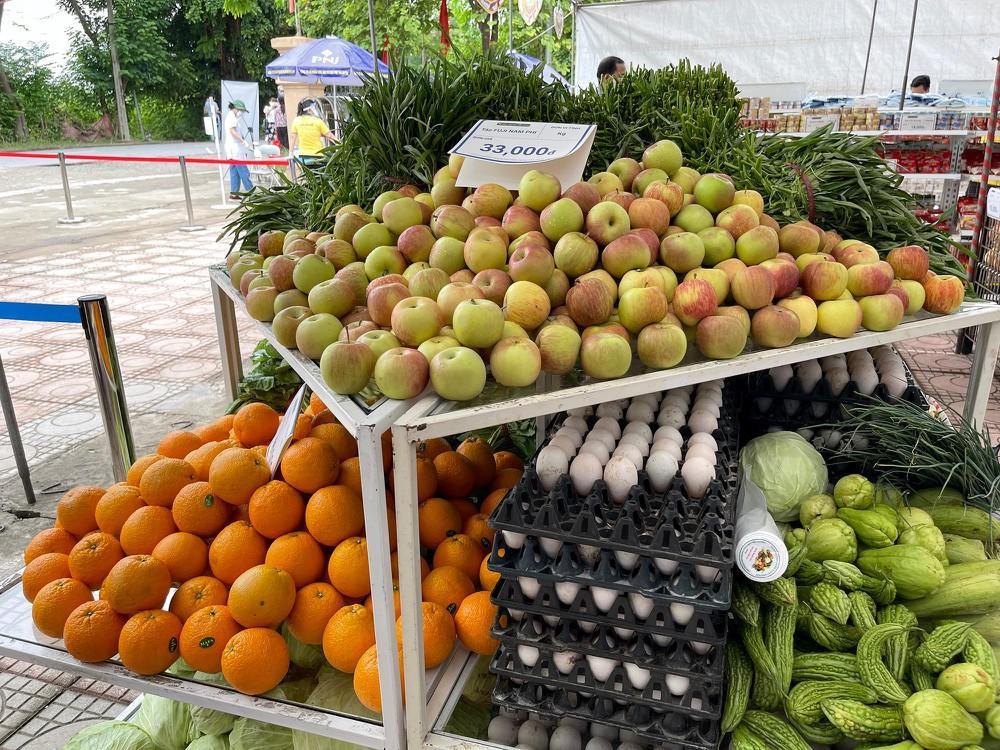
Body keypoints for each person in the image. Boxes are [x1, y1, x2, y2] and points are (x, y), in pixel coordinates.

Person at [224, 100, 253, 199]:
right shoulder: (232, 117)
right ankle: (251, 192)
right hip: (236, 149)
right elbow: (232, 131)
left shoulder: (231, 117)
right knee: (244, 172)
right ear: (237, 109)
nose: (242, 113)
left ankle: (234, 193)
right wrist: (243, 141)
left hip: (232, 149)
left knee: (234, 172)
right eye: (242, 111)